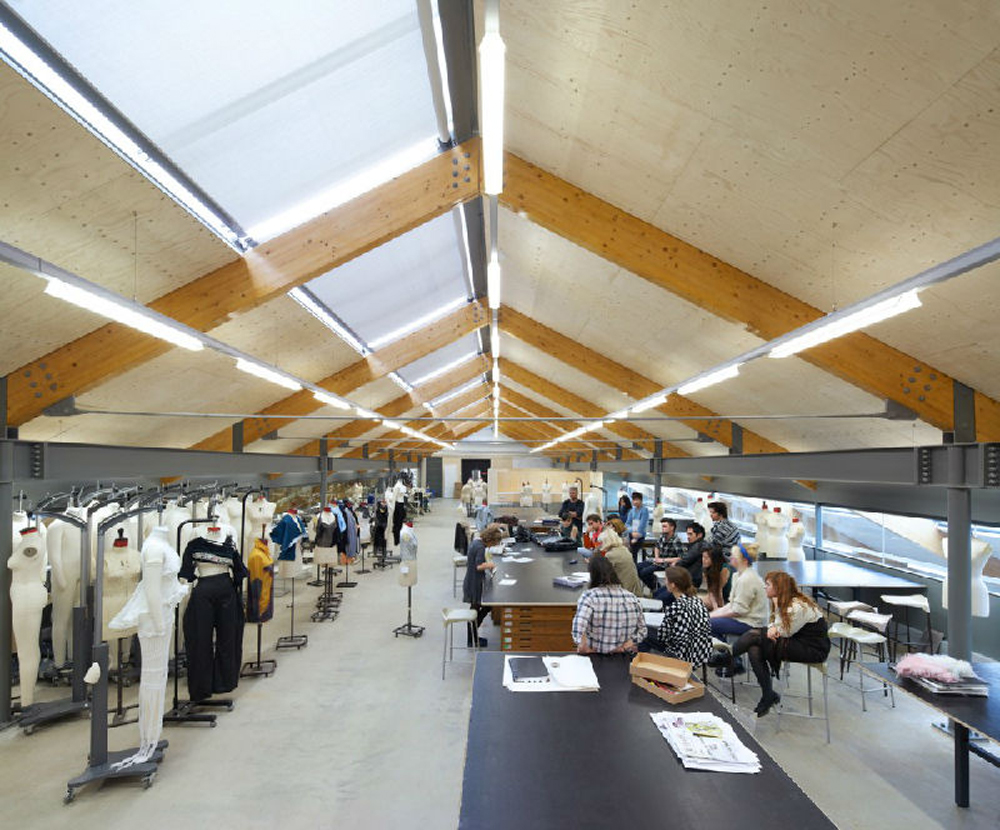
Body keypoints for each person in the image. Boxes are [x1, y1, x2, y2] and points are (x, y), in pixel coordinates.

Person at [730, 571, 831, 717]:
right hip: (797, 641)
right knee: (754, 648)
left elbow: (783, 632)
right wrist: (773, 627)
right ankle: (768, 695)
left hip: (813, 649)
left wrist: (774, 620)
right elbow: (774, 626)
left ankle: (729, 656)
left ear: (778, 588)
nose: (764, 587)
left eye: (768, 585)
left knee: (754, 635)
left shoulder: (797, 606)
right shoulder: (786, 602)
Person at [707, 543, 768, 676]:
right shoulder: (738, 576)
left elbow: (738, 610)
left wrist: (710, 617)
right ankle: (732, 657)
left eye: (734, 556)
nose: (730, 558)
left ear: (744, 560)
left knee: (706, 624)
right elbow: (732, 605)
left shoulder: (747, 579)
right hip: (743, 618)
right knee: (707, 620)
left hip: (753, 623)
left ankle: (732, 659)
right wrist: (712, 614)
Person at [571, 555, 646, 654]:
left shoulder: (589, 597)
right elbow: (643, 631)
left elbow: (578, 630)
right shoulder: (632, 598)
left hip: (595, 656)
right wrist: (628, 644)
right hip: (622, 656)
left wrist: (584, 647)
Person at [644, 567, 713, 667]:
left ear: (673, 585)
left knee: (643, 631)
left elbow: (663, 636)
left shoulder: (676, 606)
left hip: (683, 654)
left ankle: (644, 665)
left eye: (666, 580)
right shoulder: (697, 601)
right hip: (701, 652)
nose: (665, 582)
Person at [462, 524, 503, 647]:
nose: (492, 546)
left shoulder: (476, 542)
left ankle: (473, 637)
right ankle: (472, 639)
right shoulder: (480, 547)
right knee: (479, 608)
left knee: (475, 609)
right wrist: (491, 565)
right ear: (490, 539)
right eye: (493, 544)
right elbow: (478, 566)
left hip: (471, 580)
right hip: (474, 583)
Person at [638, 518, 692, 596]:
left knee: (644, 572)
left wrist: (663, 560)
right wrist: (657, 557)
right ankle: (653, 584)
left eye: (665, 526)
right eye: (662, 526)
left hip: (665, 564)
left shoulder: (676, 541)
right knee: (637, 567)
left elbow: (681, 557)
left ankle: (654, 588)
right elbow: (657, 546)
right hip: (658, 561)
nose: (662, 528)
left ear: (672, 528)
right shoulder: (663, 536)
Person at [596, 524, 643, 597]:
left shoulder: (610, 555)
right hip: (634, 589)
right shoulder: (623, 549)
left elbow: (602, 575)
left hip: (624, 592)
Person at [701, 544, 733, 611]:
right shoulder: (707, 568)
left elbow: (719, 590)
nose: (703, 560)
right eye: (703, 557)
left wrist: (717, 609)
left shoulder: (724, 569)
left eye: (706, 558)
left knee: (703, 603)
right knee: (697, 602)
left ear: (714, 559)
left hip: (727, 598)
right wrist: (714, 606)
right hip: (715, 595)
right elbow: (710, 590)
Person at [623, 491, 649, 562]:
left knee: (634, 551)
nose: (635, 502)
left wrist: (636, 535)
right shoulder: (631, 511)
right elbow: (627, 524)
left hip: (640, 534)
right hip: (632, 533)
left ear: (641, 500)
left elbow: (642, 525)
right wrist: (632, 532)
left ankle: (635, 566)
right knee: (629, 553)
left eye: (637, 500)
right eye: (633, 500)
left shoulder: (644, 510)